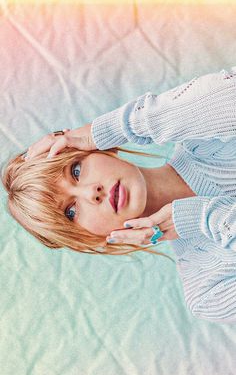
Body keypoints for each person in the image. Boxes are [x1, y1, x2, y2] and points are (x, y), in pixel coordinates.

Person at [1, 66, 236, 323]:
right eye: (70, 211)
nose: (92, 192)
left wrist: (117, 127)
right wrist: (203, 218)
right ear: (88, 239)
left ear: (102, 149)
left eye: (76, 170)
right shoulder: (208, 290)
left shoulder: (204, 133)